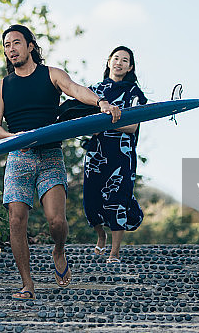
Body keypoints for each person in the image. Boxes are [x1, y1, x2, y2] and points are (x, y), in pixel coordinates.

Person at [0, 24, 122, 300]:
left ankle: (59, 250)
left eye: (16, 43)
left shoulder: (51, 75)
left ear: (30, 46)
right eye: (6, 45)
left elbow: (75, 90)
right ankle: (27, 284)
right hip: (19, 156)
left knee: (56, 221)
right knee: (16, 220)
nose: (11, 49)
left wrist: (101, 103)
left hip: (50, 155)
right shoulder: (1, 87)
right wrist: (13, 137)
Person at [83, 46, 147, 264]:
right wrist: (95, 126)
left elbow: (132, 126)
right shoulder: (94, 91)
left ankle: (114, 251)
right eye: (116, 58)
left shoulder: (134, 92)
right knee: (91, 199)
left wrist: (104, 122)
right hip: (96, 152)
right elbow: (83, 121)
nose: (119, 62)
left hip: (121, 153)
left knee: (118, 199)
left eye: (125, 60)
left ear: (130, 67)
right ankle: (101, 236)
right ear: (108, 61)